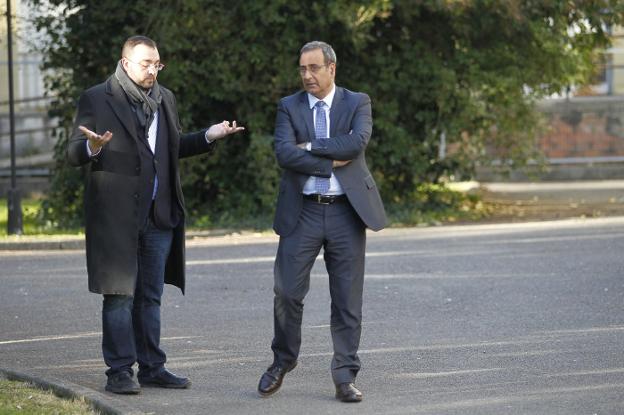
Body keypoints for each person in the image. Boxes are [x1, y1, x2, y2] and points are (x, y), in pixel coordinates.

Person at [68, 35, 244, 395]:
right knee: (120, 295)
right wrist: (92, 146)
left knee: (150, 296)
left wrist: (208, 136)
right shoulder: (97, 97)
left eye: (157, 63)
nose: (153, 70)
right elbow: (73, 152)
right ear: (126, 63)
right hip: (116, 218)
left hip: (158, 215)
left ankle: (152, 367)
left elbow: (171, 148)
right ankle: (119, 371)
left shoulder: (165, 98)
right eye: (147, 64)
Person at [257, 41, 387, 403]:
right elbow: (284, 153)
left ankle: (345, 376)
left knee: (346, 299)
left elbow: (356, 143)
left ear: (332, 68)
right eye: (302, 68)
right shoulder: (289, 106)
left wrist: (310, 148)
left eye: (314, 68)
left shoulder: (357, 102)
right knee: (286, 291)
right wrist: (329, 159)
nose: (307, 75)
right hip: (303, 211)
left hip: (347, 211)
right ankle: (283, 360)